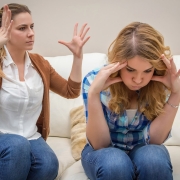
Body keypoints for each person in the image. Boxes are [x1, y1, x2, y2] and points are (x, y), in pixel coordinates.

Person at [0, 3, 90, 180]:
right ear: (4, 32)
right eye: (22, 28)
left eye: (32, 27)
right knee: (17, 146)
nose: (31, 33)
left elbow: (70, 91)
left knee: (49, 164)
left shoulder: (39, 64)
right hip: (5, 138)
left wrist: (77, 57)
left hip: (31, 137)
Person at [81, 22, 180, 180]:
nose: (138, 79)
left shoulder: (161, 82)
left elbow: (154, 141)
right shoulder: (94, 80)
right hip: (104, 152)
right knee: (116, 164)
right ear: (118, 63)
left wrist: (176, 93)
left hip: (143, 148)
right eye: (130, 70)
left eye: (147, 71)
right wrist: (94, 93)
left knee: (154, 160)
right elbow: (99, 145)